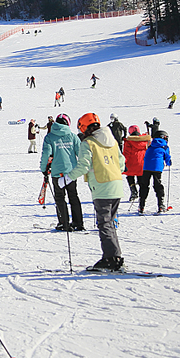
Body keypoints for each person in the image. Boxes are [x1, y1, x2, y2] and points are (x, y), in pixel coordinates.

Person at [65, 113, 127, 272]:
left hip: (102, 187)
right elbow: (121, 163)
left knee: (104, 223)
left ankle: (110, 259)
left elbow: (83, 166)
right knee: (109, 222)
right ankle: (116, 256)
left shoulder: (89, 143)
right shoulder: (112, 140)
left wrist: (67, 178)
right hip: (116, 185)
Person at [39, 113, 84, 231]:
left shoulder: (49, 137)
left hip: (57, 173)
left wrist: (44, 169)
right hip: (71, 172)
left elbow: (46, 155)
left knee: (60, 197)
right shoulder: (73, 136)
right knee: (73, 196)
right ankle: (78, 222)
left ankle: (64, 223)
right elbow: (81, 153)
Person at [138, 130, 172, 214]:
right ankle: (161, 206)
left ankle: (141, 206)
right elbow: (167, 157)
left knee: (144, 186)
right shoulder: (164, 146)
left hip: (146, 167)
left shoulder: (150, 145)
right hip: (157, 168)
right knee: (157, 185)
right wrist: (169, 163)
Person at [122, 125, 151, 202]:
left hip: (131, 162)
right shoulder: (145, 140)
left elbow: (126, 153)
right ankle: (142, 196)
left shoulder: (128, 141)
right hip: (142, 162)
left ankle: (133, 191)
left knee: (130, 176)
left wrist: (123, 162)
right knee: (141, 178)